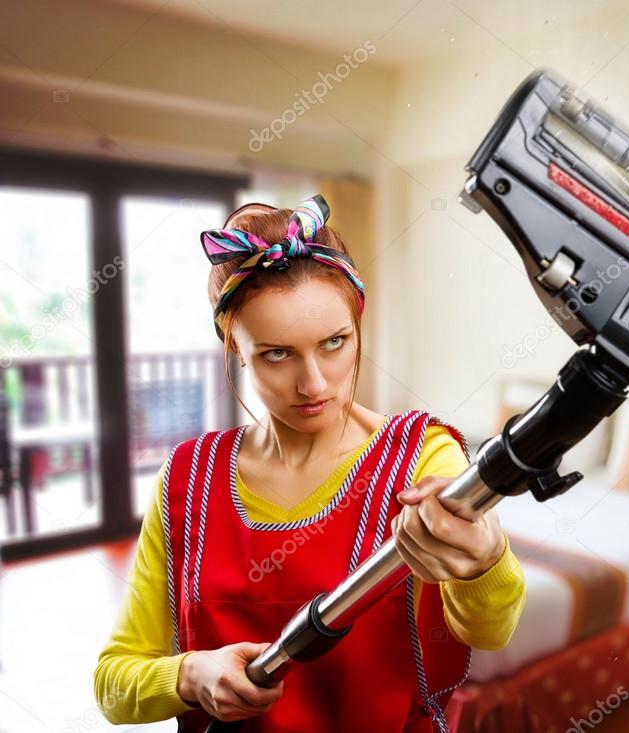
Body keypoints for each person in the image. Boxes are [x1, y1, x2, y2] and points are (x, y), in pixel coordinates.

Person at [94, 195, 526, 732]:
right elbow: (113, 686)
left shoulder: (422, 457)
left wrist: (486, 560)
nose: (314, 384)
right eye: (277, 353)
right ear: (234, 344)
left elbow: (491, 632)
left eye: (334, 343)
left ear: (357, 324)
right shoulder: (188, 480)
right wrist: (191, 675)